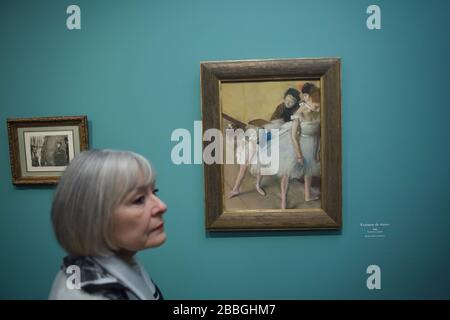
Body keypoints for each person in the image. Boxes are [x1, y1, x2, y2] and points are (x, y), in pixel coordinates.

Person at [48, 149, 167, 300]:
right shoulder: (85, 295)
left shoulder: (124, 260)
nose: (162, 206)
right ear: (94, 217)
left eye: (154, 192)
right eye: (139, 199)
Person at [228, 88, 301, 199]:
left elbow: (285, 129)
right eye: (288, 99)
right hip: (266, 134)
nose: (289, 102)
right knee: (245, 163)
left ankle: (257, 184)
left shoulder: (296, 112)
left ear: (296, 103)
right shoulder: (281, 107)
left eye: (292, 101)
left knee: (261, 163)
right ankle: (236, 189)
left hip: (275, 137)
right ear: (285, 97)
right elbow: (271, 124)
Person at [277, 82, 321, 208]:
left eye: (319, 106)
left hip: (312, 143)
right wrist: (299, 155)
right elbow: (293, 136)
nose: (317, 109)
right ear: (308, 99)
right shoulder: (299, 113)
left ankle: (307, 195)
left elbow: (318, 133)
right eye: (315, 106)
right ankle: (284, 200)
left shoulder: (319, 110)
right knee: (287, 171)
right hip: (298, 144)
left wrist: (318, 150)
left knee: (309, 169)